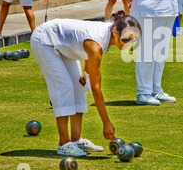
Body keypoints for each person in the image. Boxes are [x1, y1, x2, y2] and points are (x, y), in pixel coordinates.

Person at [30, 10, 141, 156]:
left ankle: (76, 140)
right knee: (64, 87)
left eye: (131, 40)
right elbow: (96, 88)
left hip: (64, 45)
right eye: (126, 39)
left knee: (78, 86)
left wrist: (86, 73)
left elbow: (84, 45)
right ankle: (64, 144)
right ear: (115, 31)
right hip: (44, 40)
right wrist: (106, 123)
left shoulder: (107, 34)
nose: (128, 44)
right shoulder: (97, 45)